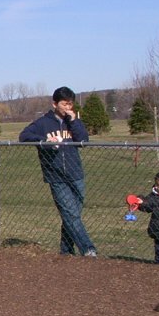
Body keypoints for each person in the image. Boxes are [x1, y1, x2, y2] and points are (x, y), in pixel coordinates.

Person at [18, 86, 97, 257]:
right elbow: (24, 136)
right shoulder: (43, 123)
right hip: (55, 176)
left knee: (71, 215)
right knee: (70, 213)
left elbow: (83, 139)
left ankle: (66, 250)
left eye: (70, 104)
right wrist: (44, 140)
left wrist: (74, 121)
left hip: (76, 174)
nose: (68, 107)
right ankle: (88, 249)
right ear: (55, 104)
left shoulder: (73, 121)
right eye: (64, 104)